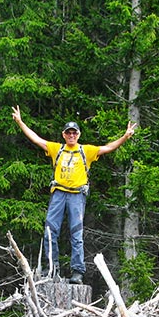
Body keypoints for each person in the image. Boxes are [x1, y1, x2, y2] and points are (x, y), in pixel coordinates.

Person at [11, 105, 137, 284]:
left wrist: (125, 137)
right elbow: (36, 139)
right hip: (58, 194)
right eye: (68, 133)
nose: (71, 135)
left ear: (78, 135)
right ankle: (51, 269)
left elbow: (107, 148)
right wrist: (20, 122)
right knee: (49, 231)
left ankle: (77, 272)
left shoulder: (86, 151)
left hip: (77, 196)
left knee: (76, 233)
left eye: (74, 133)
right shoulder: (57, 149)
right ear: (64, 135)